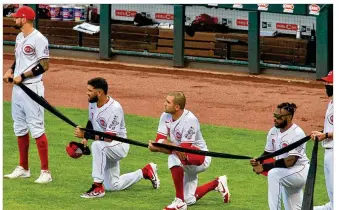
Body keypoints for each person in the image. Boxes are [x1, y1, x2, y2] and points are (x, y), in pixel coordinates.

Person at [74, 77, 160, 198]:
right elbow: (91, 121)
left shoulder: (115, 108)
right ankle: (145, 171)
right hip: (106, 146)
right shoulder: (92, 103)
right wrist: (85, 139)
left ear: (99, 92)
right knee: (113, 186)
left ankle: (97, 187)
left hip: (118, 145)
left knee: (97, 146)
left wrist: (87, 134)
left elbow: (109, 137)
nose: (86, 93)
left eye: (90, 90)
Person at [148, 91, 230, 210]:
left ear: (177, 107)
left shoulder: (190, 120)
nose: (164, 104)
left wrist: (159, 148)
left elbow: (184, 150)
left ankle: (179, 202)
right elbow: (160, 140)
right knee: (189, 199)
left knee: (173, 158)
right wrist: (161, 145)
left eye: (168, 102)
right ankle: (217, 183)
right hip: (186, 159)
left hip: (200, 157)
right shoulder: (165, 116)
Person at [3, 6, 52, 184]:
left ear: (24, 19)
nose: (14, 19)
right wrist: (10, 70)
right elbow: (19, 59)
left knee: (37, 128)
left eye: (16, 17)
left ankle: (46, 172)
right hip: (18, 90)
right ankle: (23, 167)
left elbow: (44, 65)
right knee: (20, 127)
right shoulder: (19, 37)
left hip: (32, 88)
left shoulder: (39, 39)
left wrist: (22, 76)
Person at [250, 103, 310, 210]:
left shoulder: (297, 133)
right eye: (274, 115)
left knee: (274, 174)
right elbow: (268, 153)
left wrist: (264, 167)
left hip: (299, 172)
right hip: (286, 173)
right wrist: (258, 160)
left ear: (289, 117)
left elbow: (290, 161)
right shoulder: (273, 131)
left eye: (278, 117)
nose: (275, 119)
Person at [312, 70, 333, 210]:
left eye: (330, 82)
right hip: (329, 150)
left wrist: (325, 135)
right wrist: (322, 133)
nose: (326, 84)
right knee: (332, 194)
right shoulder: (332, 102)